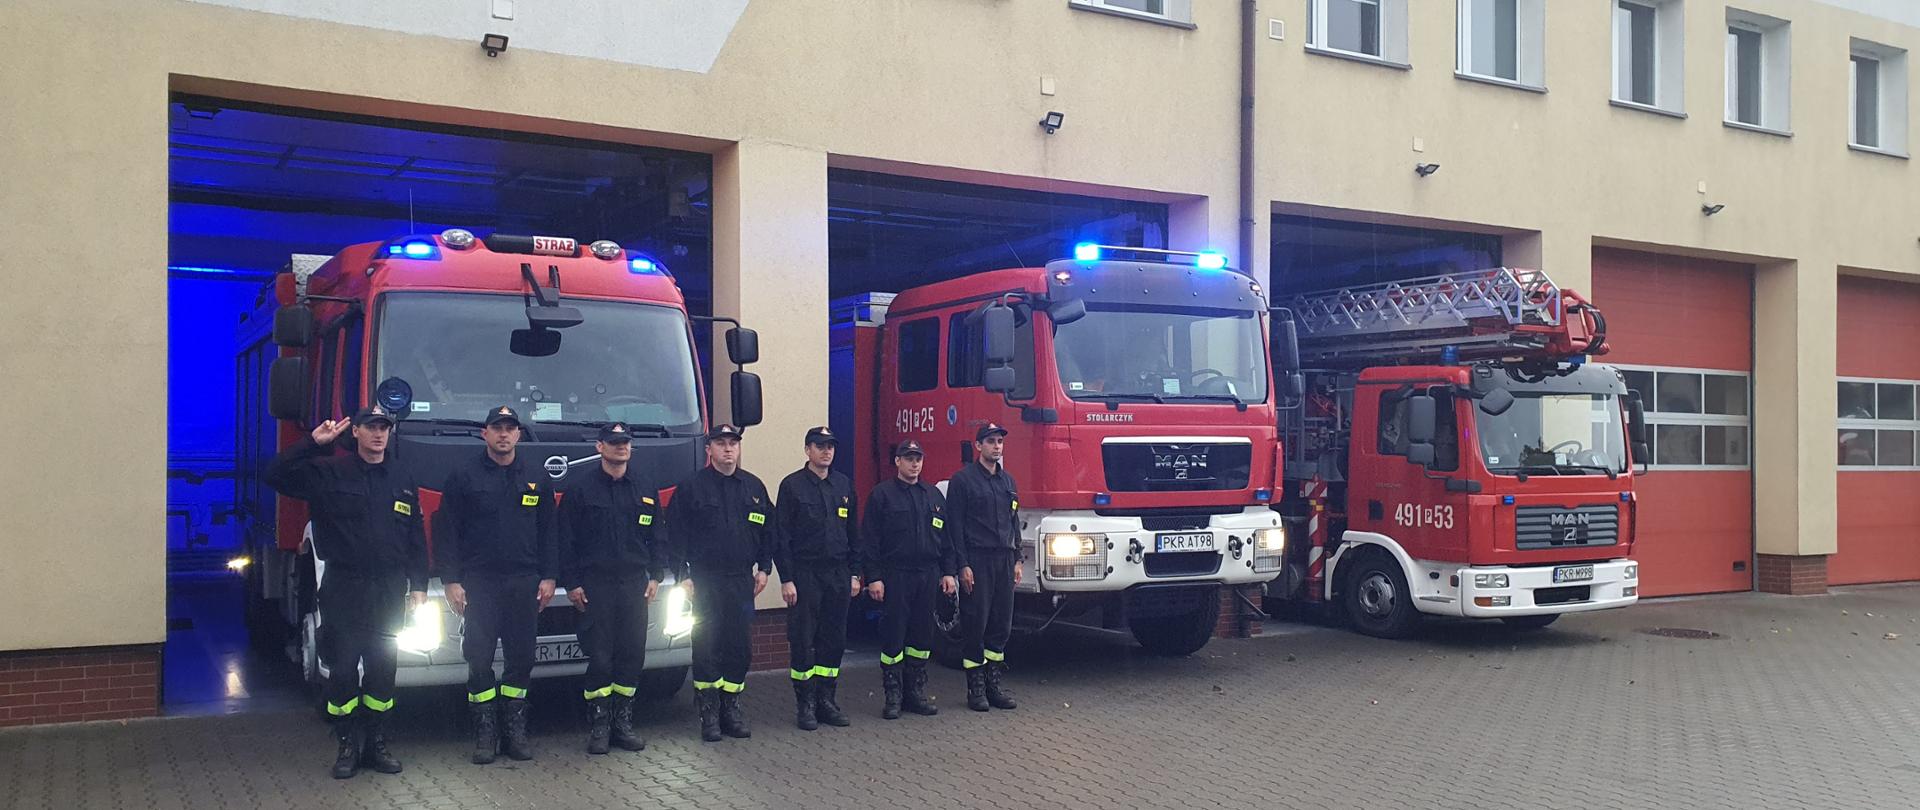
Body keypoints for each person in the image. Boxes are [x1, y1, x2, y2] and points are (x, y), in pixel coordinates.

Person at [262, 405, 427, 779]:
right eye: (371, 427)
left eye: (384, 427)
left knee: (383, 672)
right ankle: (347, 746)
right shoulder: (329, 472)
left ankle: (376, 745)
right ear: (355, 432)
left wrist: (418, 585)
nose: (378, 434)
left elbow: (415, 538)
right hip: (345, 587)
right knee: (343, 671)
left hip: (388, 590)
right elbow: (274, 474)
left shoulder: (402, 477)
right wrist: (312, 442)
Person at [436, 405, 557, 764]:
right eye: (497, 428)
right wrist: (451, 580)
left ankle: (514, 731)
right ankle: (485, 733)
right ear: (484, 433)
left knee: (522, 658)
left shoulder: (536, 477)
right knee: (478, 658)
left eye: (510, 428)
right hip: (480, 583)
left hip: (523, 582)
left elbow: (549, 531)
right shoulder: (463, 477)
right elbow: (447, 532)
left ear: (518, 434)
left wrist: (550, 576)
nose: (504, 434)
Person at [558, 422, 670, 755]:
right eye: (614, 442)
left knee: (631, 656)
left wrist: (656, 575)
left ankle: (623, 725)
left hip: (635, 584)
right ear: (600, 447)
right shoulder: (580, 490)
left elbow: (658, 537)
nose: (621, 447)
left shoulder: (644, 487)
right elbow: (566, 540)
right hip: (597, 586)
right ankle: (599, 727)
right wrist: (572, 583)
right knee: (601, 658)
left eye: (625, 442)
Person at [667, 424, 774, 742]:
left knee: (739, 647)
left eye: (733, 443)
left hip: (741, 580)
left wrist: (764, 568)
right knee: (707, 646)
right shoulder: (691, 488)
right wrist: (683, 576)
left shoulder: (754, 487)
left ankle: (731, 709)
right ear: (709, 449)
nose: (728, 449)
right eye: (721, 443)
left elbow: (769, 531)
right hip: (705, 580)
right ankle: (709, 713)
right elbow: (675, 535)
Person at [855, 439, 957, 719]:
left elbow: (946, 539)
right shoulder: (882, 495)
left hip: (927, 574)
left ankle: (915, 693)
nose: (914, 464)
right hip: (895, 575)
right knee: (894, 635)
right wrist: (874, 577)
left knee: (922, 636)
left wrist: (948, 572)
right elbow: (870, 541)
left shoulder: (933, 496)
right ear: (897, 461)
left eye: (918, 459)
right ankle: (893, 696)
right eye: (909, 458)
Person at [771, 427, 859, 730]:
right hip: (805, 574)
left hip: (837, 573)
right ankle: (805, 705)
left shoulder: (843, 485)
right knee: (803, 639)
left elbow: (854, 534)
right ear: (808, 450)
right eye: (820, 446)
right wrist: (786, 578)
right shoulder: (792, 486)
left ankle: (826, 701)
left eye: (830, 446)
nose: (826, 451)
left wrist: (855, 573)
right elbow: (781, 536)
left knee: (833, 640)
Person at [946, 422, 1022, 712]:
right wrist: (962, 565)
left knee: (1000, 626)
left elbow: (1014, 522)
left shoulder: (1008, 481)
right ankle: (975, 689)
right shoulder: (963, 480)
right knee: (975, 623)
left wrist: (1017, 559)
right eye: (991, 441)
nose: (997, 446)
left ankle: (993, 686)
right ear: (978, 446)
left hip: (1004, 560)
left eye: (1000, 441)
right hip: (977, 560)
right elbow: (954, 526)